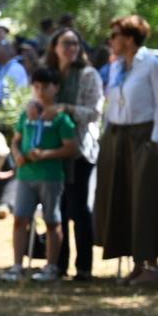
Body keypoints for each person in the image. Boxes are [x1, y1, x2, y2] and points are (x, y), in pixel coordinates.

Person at [94, 14, 158, 286]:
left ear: (130, 39)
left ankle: (152, 265)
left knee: (146, 198)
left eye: (116, 36)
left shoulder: (153, 65)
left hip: (144, 137)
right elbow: (112, 103)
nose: (111, 41)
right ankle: (136, 262)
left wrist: (155, 141)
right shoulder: (119, 66)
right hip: (118, 137)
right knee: (123, 196)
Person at [1, 68, 79, 282]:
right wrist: (17, 155)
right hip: (26, 174)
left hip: (50, 175)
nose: (41, 91)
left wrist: (46, 154)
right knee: (20, 218)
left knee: (52, 221)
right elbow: (16, 140)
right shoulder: (27, 113)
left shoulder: (61, 118)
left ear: (56, 88)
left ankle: (51, 267)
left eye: (46, 86)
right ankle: (17, 265)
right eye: (36, 86)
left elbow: (71, 148)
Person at [44, 27, 103, 281]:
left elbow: (94, 112)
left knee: (78, 209)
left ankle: (84, 268)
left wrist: (66, 108)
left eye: (75, 44)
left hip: (80, 149)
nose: (71, 48)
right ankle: (58, 264)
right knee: (58, 208)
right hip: (54, 150)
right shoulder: (50, 74)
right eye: (66, 43)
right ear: (55, 46)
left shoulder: (89, 75)